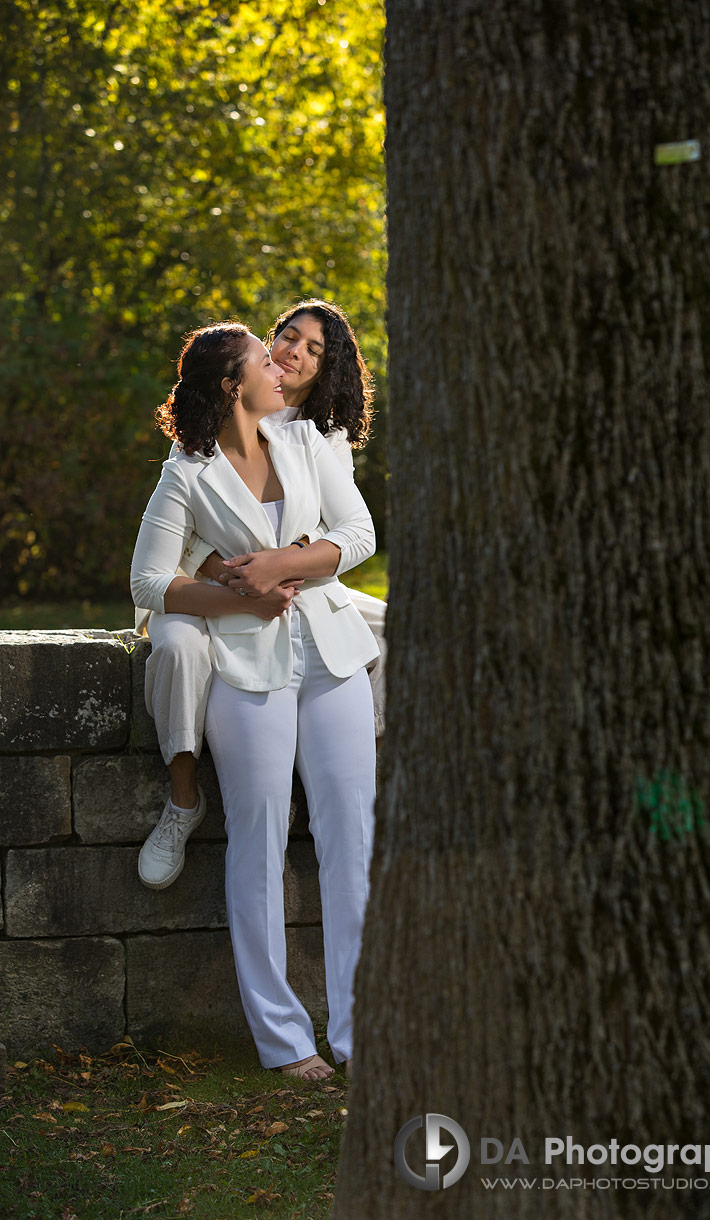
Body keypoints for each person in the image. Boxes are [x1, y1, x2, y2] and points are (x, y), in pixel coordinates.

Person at [131, 321, 379, 1080]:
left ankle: (358, 1031)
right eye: (262, 359)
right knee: (259, 839)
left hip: (331, 654)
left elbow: (358, 532)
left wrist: (280, 561)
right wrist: (238, 600)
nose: (280, 365)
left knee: (352, 841)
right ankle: (283, 1039)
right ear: (233, 384)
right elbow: (148, 584)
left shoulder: (307, 443)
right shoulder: (186, 473)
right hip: (245, 668)